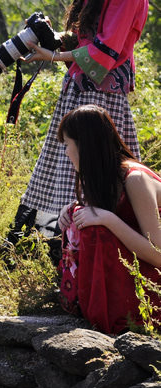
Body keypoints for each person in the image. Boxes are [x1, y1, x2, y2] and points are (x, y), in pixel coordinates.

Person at [11, 0, 148, 246]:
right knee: (62, 174)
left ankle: (94, 250)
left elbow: (106, 51)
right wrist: (48, 40)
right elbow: (84, 37)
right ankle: (51, 252)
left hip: (102, 101)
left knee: (96, 176)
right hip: (80, 93)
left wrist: (55, 55)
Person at [57, 104, 161, 334]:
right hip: (140, 276)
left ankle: (111, 318)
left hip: (156, 279)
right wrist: (74, 210)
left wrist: (109, 220)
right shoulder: (103, 177)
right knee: (85, 222)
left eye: (67, 145)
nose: (65, 153)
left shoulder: (135, 179)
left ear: (84, 146)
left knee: (98, 228)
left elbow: (158, 254)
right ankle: (90, 307)